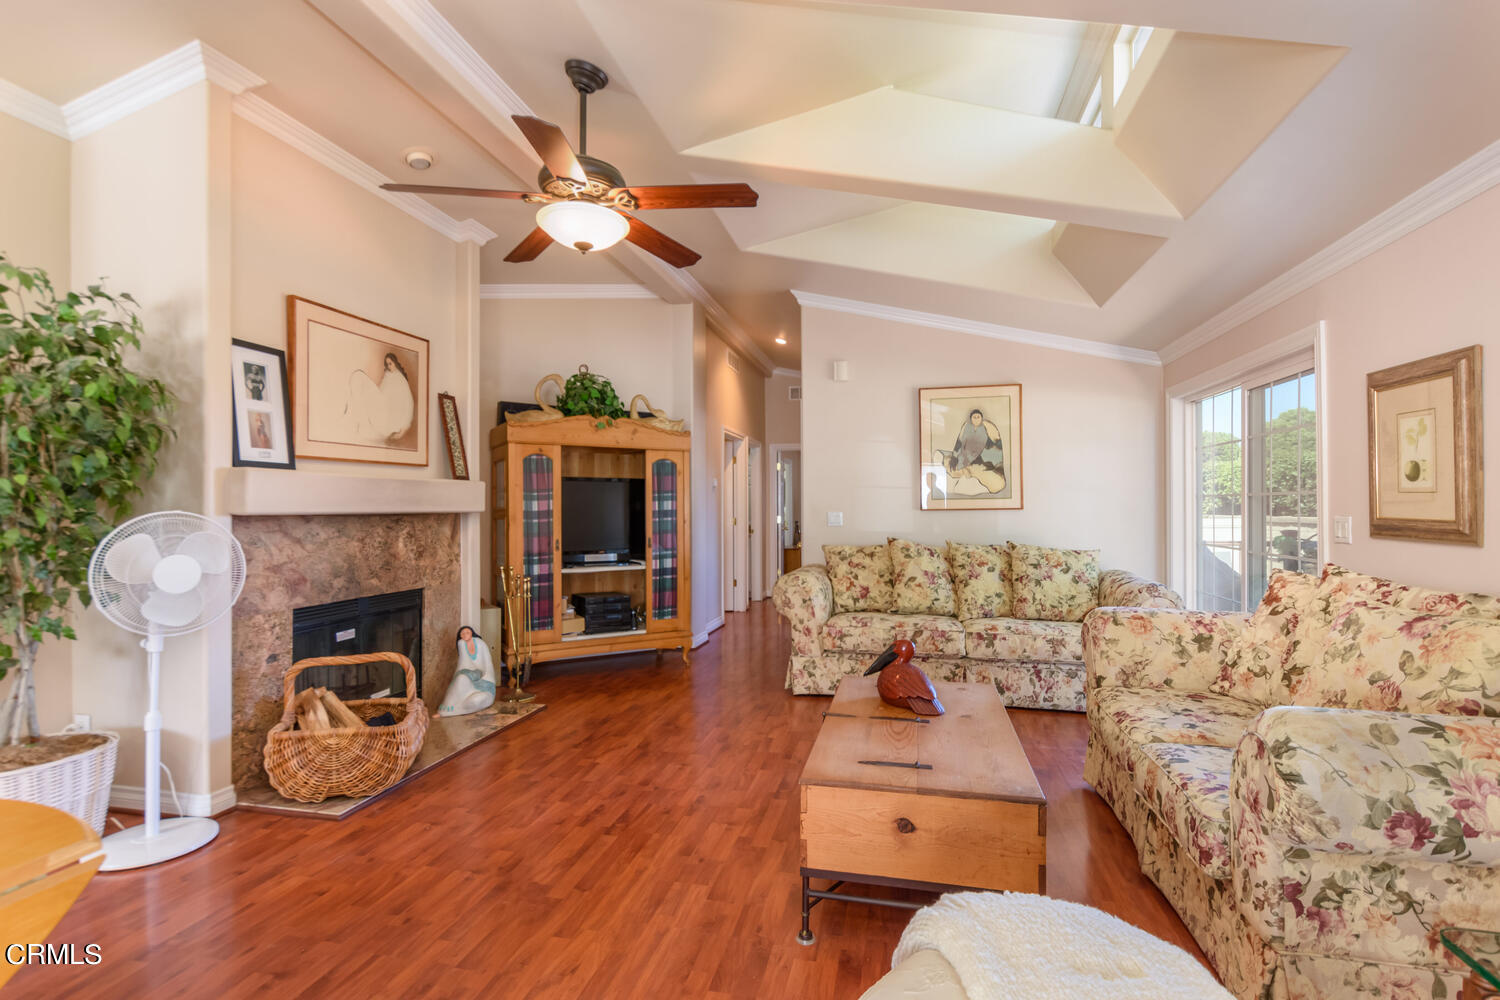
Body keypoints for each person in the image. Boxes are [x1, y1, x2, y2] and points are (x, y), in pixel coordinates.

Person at [344, 351, 415, 445]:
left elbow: (408, 404)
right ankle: (352, 416)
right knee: (358, 376)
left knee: (360, 377)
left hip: (389, 413)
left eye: (390, 363)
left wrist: (403, 428)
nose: (389, 366)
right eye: (387, 364)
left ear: (395, 363)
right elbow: (382, 392)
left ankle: (354, 418)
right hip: (382, 405)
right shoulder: (387, 376)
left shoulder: (401, 380)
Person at [942, 408, 1007, 495]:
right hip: (965, 458)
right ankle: (965, 475)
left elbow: (995, 448)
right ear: (971, 418)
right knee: (950, 464)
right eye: (974, 417)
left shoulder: (988, 428)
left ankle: (973, 480)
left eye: (978, 417)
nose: (976, 419)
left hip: (982, 462)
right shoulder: (966, 427)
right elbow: (959, 443)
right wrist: (956, 457)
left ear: (981, 418)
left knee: (996, 482)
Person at [435, 626, 497, 717]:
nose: (465, 635)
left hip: (484, 679)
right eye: (462, 634)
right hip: (470, 674)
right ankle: (446, 710)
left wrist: (484, 677)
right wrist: (466, 673)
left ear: (472, 633)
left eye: (467, 632)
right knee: (461, 679)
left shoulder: (480, 643)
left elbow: (487, 664)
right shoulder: (462, 644)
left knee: (476, 700)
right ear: (460, 636)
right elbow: (463, 664)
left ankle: (456, 709)